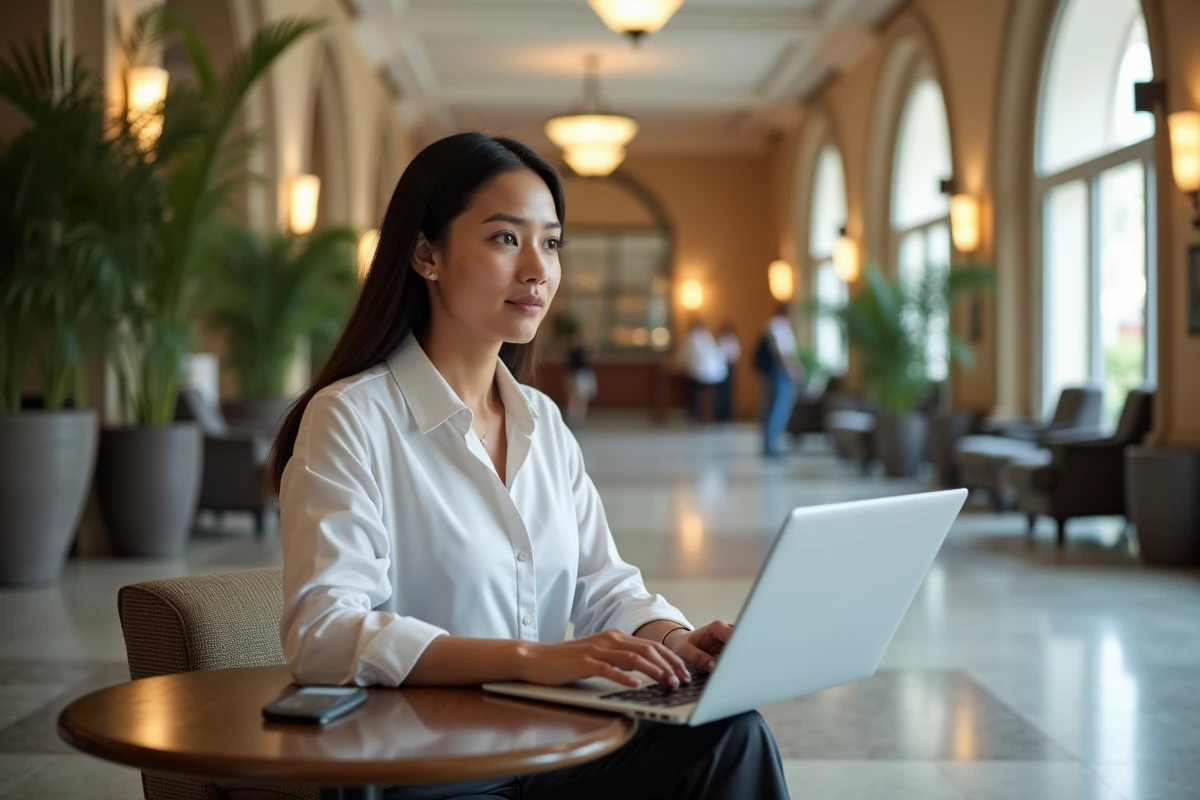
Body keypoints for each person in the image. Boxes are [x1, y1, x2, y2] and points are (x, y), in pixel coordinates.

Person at [266, 133, 789, 800]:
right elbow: (324, 635)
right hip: (425, 762)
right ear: (427, 253)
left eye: (551, 242)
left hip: (550, 747)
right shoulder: (352, 418)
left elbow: (603, 584)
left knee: (731, 735)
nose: (538, 270)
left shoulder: (543, 422)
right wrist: (532, 660)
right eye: (506, 239)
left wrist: (674, 639)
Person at [757, 302, 803, 457]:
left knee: (773, 409)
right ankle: (771, 446)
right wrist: (793, 370)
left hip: (778, 373)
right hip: (780, 374)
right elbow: (781, 352)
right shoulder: (778, 326)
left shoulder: (776, 326)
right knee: (777, 410)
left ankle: (770, 445)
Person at [683, 320, 728, 425]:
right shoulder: (699, 336)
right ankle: (702, 415)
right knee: (699, 395)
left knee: (700, 395)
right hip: (704, 371)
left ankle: (702, 415)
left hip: (703, 371)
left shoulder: (698, 336)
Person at [564, 327, 596, 430]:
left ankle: (580, 418)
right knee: (574, 398)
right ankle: (573, 419)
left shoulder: (584, 349)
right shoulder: (572, 350)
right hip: (575, 375)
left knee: (582, 398)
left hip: (583, 374)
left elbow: (592, 358)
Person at [715, 322, 740, 423]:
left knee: (729, 391)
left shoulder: (733, 340)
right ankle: (719, 415)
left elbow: (736, 354)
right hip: (720, 367)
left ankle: (727, 415)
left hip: (730, 366)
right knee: (720, 392)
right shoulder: (720, 340)